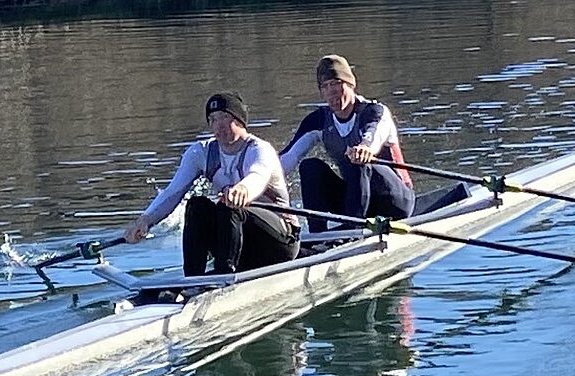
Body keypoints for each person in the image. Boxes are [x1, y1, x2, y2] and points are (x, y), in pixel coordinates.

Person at [123, 92, 300, 276]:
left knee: (229, 207)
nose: (219, 125)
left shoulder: (259, 150)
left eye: (225, 117)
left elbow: (258, 176)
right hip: (238, 242)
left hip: (279, 242)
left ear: (240, 121)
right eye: (213, 119)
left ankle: (223, 277)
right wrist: (145, 220)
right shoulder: (201, 153)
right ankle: (193, 280)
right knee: (196, 205)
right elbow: (172, 193)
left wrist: (243, 190)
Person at [278, 54, 416, 233]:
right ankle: (316, 237)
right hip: (357, 199)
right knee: (309, 167)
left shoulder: (374, 112)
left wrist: (365, 149)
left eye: (336, 84)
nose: (331, 92)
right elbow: (287, 158)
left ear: (351, 85)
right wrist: (252, 184)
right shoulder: (319, 120)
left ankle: (351, 231)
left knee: (358, 159)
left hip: (395, 201)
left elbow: (373, 137)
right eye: (325, 87)